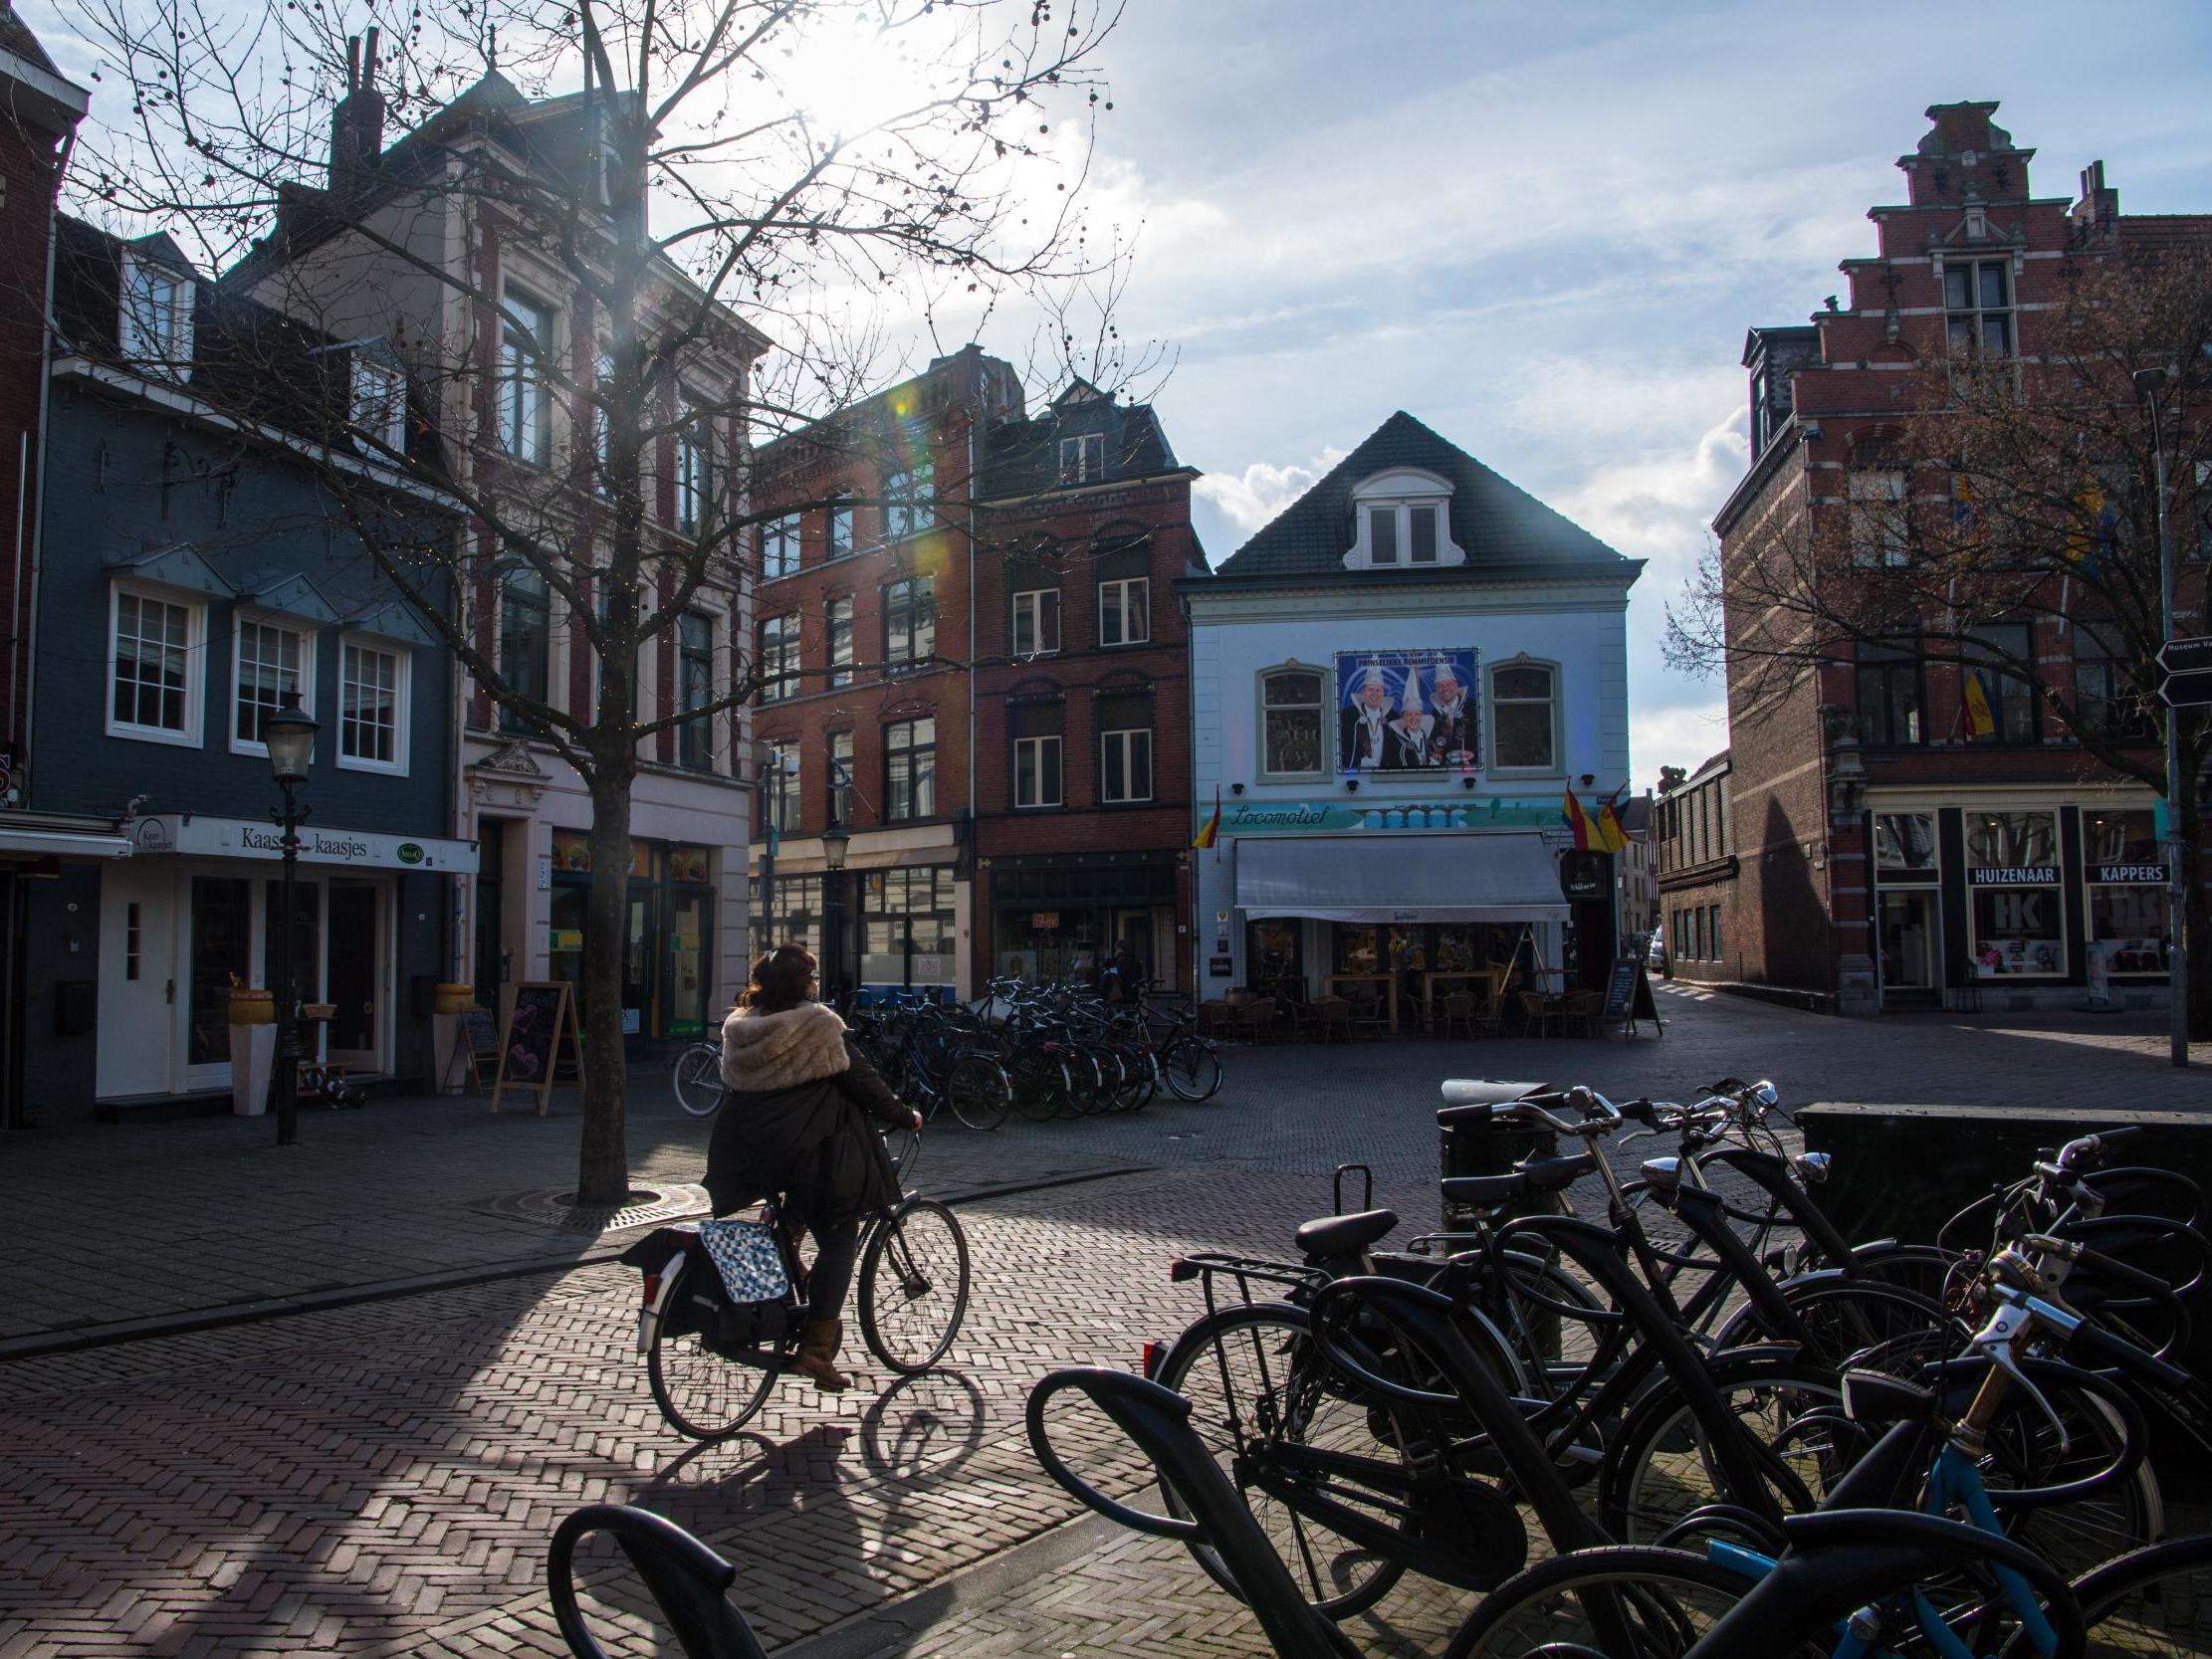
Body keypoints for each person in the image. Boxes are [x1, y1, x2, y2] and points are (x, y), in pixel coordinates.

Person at [704, 943, 921, 1392]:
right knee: (839, 1237)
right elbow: (861, 1080)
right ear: (804, 982)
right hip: (804, 1150)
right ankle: (816, 1352)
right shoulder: (818, 1023)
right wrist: (904, 1114)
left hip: (744, 1151)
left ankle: (785, 1258)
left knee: (793, 1208)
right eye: (813, 977)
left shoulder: (740, 1027)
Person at [1340, 659, 1394, 772]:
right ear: (1363, 692)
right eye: (1370, 689)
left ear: (1383, 693)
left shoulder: (1393, 717)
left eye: (1378, 690)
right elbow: (1342, 749)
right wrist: (1359, 763)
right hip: (1360, 778)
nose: (1374, 694)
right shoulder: (1347, 716)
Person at [1426, 657, 1475, 768]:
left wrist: (1474, 760)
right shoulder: (1435, 714)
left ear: (1456, 684)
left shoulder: (1473, 707)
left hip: (1470, 768)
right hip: (1446, 770)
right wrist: (1436, 763)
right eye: (1440, 686)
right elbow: (1437, 744)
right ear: (1436, 690)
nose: (1445, 689)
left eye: (1448, 684)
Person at [1386, 664, 1435, 768]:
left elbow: (1439, 754)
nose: (1413, 718)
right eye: (1409, 714)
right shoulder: (1395, 742)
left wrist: (1437, 762)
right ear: (1403, 717)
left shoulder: (1431, 737)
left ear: (1421, 716)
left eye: (1417, 714)